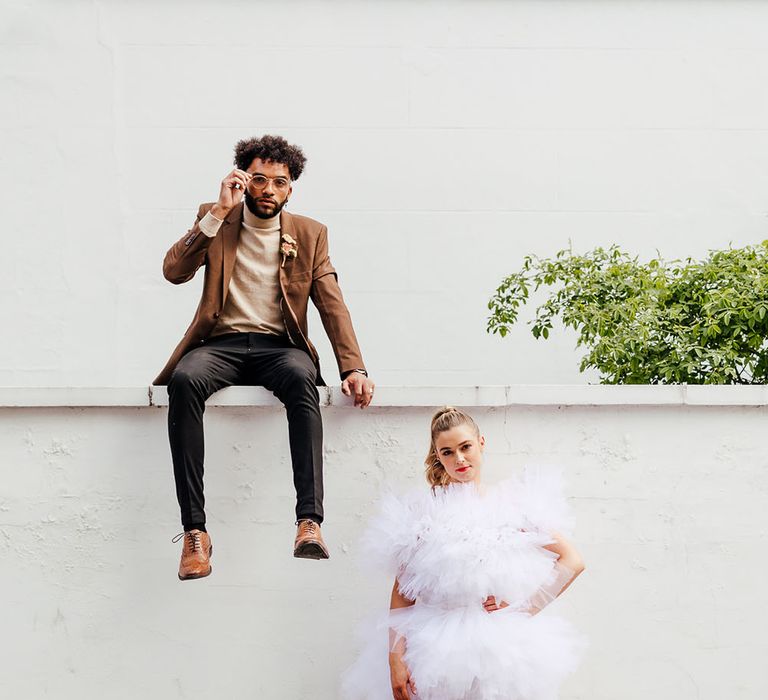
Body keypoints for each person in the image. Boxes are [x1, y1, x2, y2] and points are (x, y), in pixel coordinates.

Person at [154, 135, 375, 580]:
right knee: (183, 380)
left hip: (280, 347)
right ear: (243, 180)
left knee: (301, 380)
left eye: (280, 181)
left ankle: (308, 522)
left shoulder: (310, 234)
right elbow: (174, 271)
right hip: (221, 345)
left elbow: (331, 303)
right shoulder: (215, 219)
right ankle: (195, 533)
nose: (268, 189)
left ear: (290, 188)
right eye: (259, 179)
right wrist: (218, 212)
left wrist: (354, 367)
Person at [342, 407, 586, 700]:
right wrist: (395, 660)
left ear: (481, 442)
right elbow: (403, 592)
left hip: (499, 648)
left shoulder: (511, 505)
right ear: (437, 455)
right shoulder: (424, 511)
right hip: (433, 646)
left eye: (465, 447)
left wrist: (524, 607)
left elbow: (572, 560)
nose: (458, 459)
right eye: (447, 452)